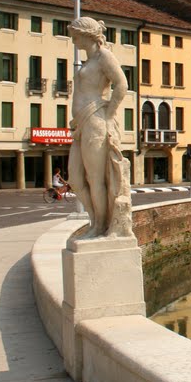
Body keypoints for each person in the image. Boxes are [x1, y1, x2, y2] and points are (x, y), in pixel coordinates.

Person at [68, 17, 134, 239]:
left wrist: (109, 113)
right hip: (81, 123)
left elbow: (122, 83)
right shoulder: (88, 61)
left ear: (87, 35)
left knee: (96, 178)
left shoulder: (104, 56)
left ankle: (100, 226)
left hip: (96, 119)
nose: (73, 39)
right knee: (76, 180)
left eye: (75, 34)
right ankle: (94, 220)